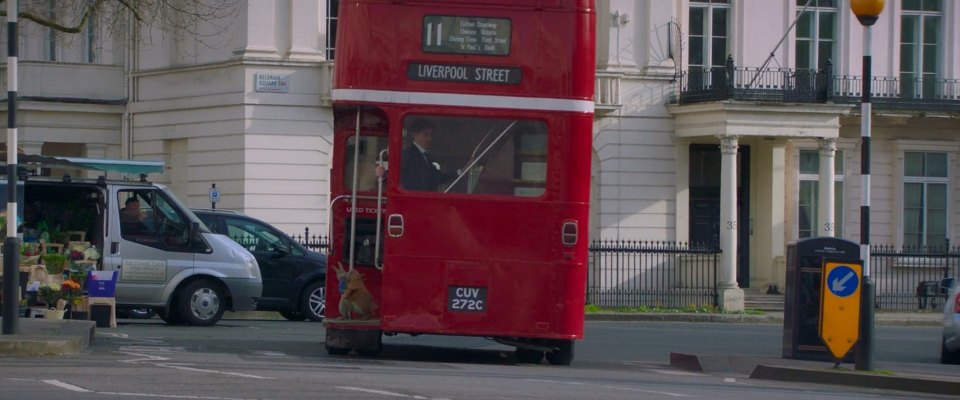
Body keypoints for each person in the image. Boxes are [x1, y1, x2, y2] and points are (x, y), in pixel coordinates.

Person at [400, 119, 473, 191]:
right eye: (425, 134)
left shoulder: (425, 156)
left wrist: (461, 171)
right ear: (415, 135)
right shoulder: (409, 155)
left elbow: (438, 176)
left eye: (431, 135)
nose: (429, 139)